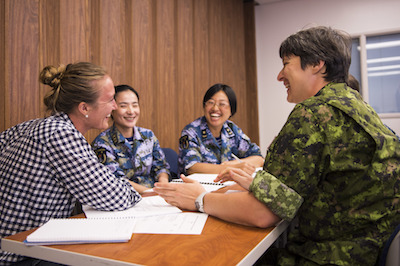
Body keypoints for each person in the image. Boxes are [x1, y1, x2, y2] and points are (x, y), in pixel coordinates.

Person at [154, 26, 400, 265]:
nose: (280, 76)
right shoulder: (361, 109)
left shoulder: (313, 114)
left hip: (326, 254)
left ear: (317, 64)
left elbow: (262, 213)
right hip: (367, 248)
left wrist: (200, 199)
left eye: (286, 64)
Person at [0, 62, 142, 265]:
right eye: (110, 100)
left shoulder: (34, 125)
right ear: (84, 107)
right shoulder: (62, 135)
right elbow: (115, 197)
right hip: (24, 255)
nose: (114, 106)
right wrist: (131, 191)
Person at [92, 85, 170, 194]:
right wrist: (151, 193)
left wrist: (163, 184)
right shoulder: (102, 143)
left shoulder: (148, 135)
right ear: (112, 109)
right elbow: (115, 180)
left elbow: (161, 166)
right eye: (123, 106)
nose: (131, 111)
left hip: (155, 196)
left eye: (135, 105)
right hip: (124, 199)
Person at [178, 83, 264, 175]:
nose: (215, 108)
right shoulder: (191, 131)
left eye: (222, 104)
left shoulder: (232, 129)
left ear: (231, 110)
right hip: (198, 186)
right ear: (204, 106)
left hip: (227, 185)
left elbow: (258, 158)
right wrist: (231, 168)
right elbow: (192, 167)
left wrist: (233, 163)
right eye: (210, 103)